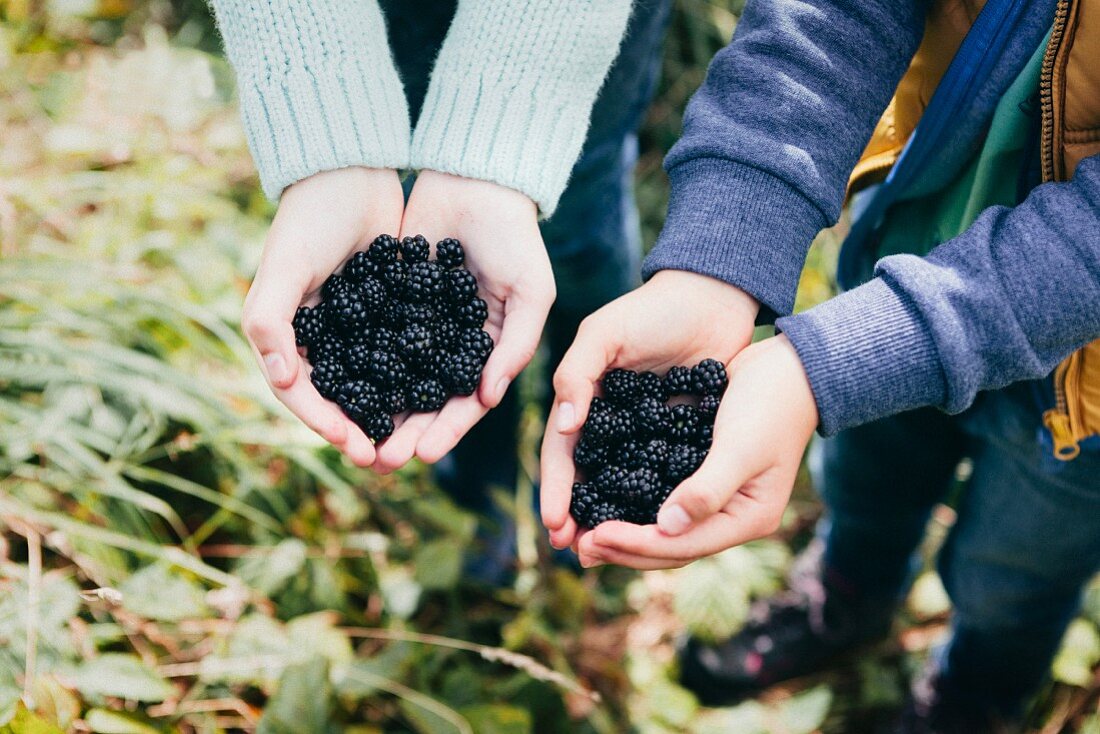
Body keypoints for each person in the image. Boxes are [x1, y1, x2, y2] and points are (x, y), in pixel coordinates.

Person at [540, 0, 1100, 731]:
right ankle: (843, 602)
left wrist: (825, 366)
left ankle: (972, 698)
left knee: (1015, 577)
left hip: (1085, 405)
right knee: (866, 486)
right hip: (901, 260)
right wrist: (719, 264)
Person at [209, 0, 671, 580]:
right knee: (480, 354)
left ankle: (589, 475)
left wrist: (506, 128)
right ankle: (480, 504)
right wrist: (332, 143)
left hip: (580, 33)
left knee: (585, 226)